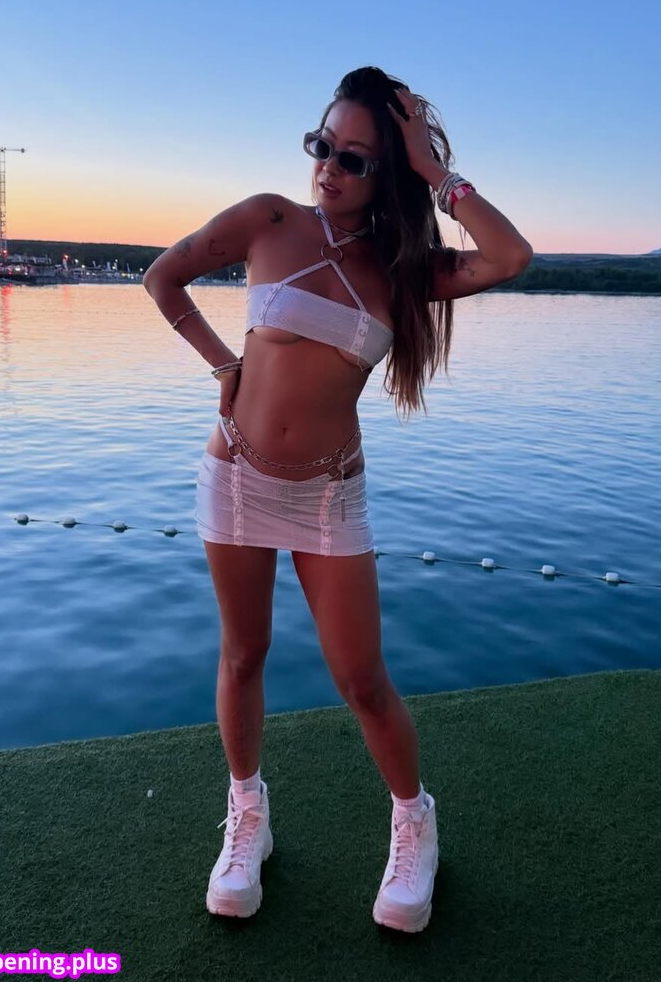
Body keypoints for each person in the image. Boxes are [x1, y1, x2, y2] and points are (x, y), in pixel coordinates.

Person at [143, 66, 533, 933]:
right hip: (235, 476)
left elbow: (511, 258)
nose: (328, 166)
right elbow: (162, 278)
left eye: (354, 158)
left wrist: (437, 174)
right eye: (322, 145)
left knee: (361, 678)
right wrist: (223, 363)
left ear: (387, 173)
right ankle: (247, 815)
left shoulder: (405, 269)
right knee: (243, 654)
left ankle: (414, 823)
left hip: (328, 497)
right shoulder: (268, 221)